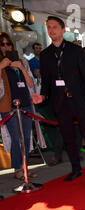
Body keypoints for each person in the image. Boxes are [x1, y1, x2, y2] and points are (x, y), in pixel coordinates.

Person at [36, 16, 85, 183]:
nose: (52, 30)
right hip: (60, 103)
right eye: (49, 27)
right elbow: (46, 81)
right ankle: (76, 169)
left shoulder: (76, 51)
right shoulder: (45, 55)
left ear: (63, 30)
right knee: (69, 139)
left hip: (80, 101)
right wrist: (42, 95)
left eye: (55, 27)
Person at [0, 32, 40, 180]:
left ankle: (25, 168)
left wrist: (21, 68)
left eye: (8, 43)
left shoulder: (22, 60)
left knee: (27, 137)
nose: (6, 47)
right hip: (8, 107)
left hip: (26, 104)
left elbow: (31, 84)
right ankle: (17, 168)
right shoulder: (0, 64)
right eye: (2, 44)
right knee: (16, 138)